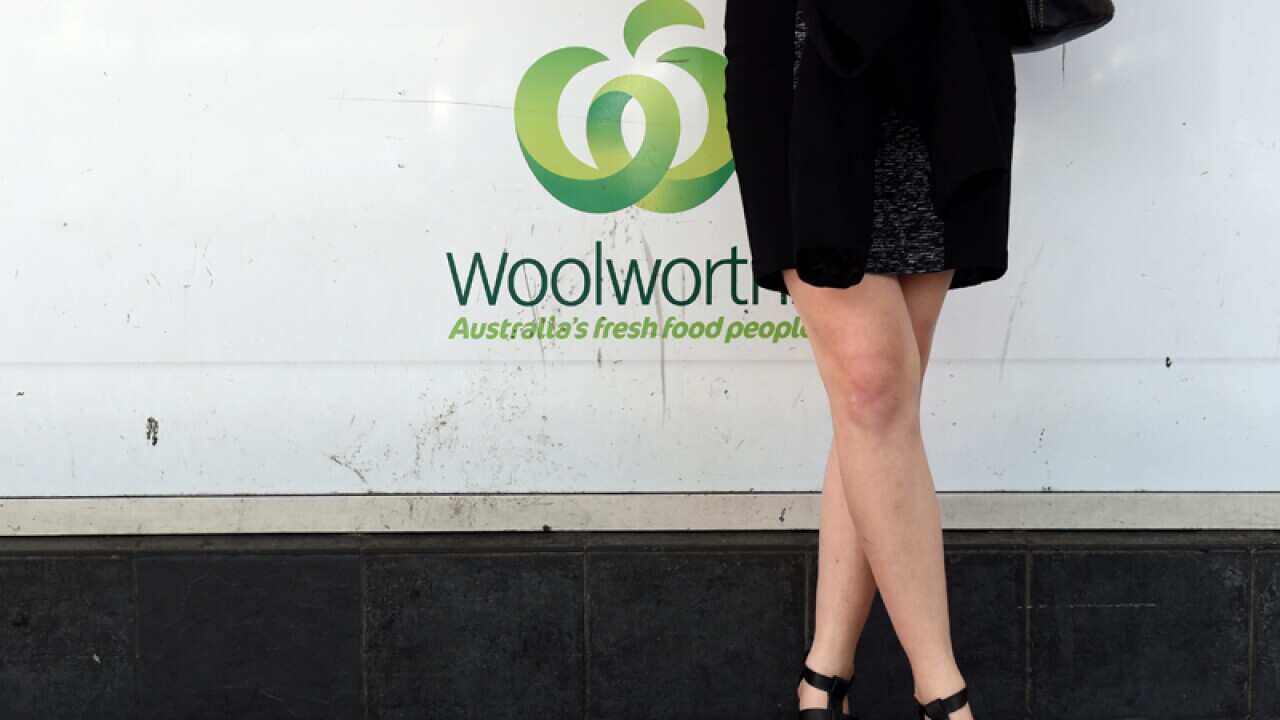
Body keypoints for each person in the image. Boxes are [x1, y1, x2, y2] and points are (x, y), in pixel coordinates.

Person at [722, 1, 1019, 719]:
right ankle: (943, 695)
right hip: (803, 60)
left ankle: (823, 681)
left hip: (941, 60)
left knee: (876, 410)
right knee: (873, 393)